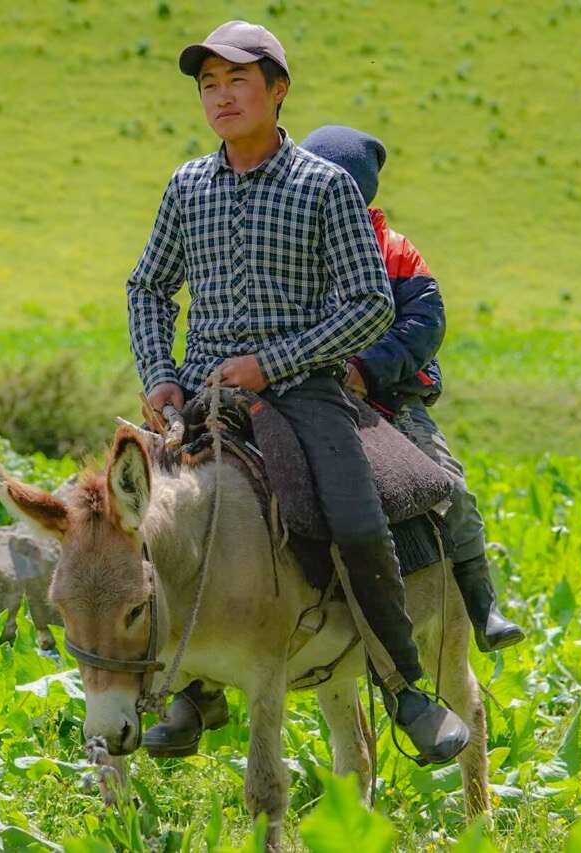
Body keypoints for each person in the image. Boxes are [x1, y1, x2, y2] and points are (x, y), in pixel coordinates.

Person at [126, 20, 469, 764]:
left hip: (306, 394)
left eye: (238, 81)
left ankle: (407, 686)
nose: (221, 97)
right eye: (208, 84)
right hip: (200, 397)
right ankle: (189, 688)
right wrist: (158, 372)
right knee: (149, 523)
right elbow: (148, 286)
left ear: (278, 92)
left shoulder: (325, 186)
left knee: (355, 513)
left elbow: (370, 304)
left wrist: (272, 363)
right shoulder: (186, 186)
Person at [300, 125, 526, 654]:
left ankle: (480, 603)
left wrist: (365, 370)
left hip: (388, 400)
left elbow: (424, 324)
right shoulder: (293, 244)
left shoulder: (396, 252)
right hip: (301, 391)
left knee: (450, 489)